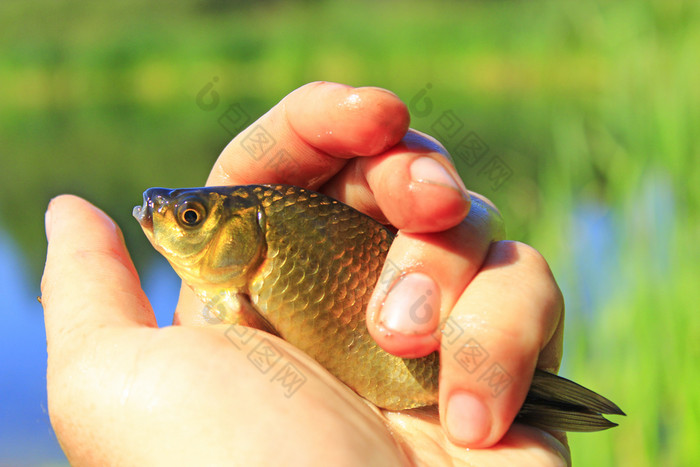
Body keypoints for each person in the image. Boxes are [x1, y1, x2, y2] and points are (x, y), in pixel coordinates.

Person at [41, 82, 570, 465]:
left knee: (436, 227)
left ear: (244, 235)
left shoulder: (241, 287)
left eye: (190, 217)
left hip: (436, 409)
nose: (168, 220)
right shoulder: (216, 326)